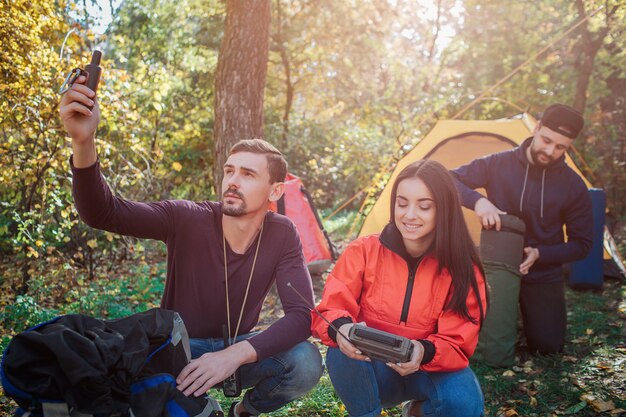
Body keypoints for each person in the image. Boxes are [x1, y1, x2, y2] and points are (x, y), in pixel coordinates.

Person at [59, 74, 323, 417]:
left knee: (306, 361)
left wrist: (232, 355)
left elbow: (303, 317)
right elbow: (103, 212)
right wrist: (83, 142)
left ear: (275, 191)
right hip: (178, 351)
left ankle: (245, 410)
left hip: (239, 348)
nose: (232, 181)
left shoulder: (282, 233)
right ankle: (192, 403)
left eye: (248, 174)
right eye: (230, 171)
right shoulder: (185, 217)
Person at [311, 160, 488, 417]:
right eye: (402, 203)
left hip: (429, 369)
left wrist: (422, 351)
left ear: (444, 210)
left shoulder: (464, 268)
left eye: (424, 206)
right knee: (340, 350)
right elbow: (329, 309)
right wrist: (343, 329)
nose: (409, 215)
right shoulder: (363, 251)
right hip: (371, 369)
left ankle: (417, 411)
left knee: (464, 404)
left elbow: (458, 341)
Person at [451, 103, 593, 355]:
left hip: (542, 270)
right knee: (477, 344)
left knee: (548, 347)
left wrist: (541, 254)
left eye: (561, 147)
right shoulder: (497, 164)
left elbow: (582, 243)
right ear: (536, 128)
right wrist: (479, 201)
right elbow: (448, 179)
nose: (550, 151)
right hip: (495, 267)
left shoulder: (573, 185)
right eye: (547, 140)